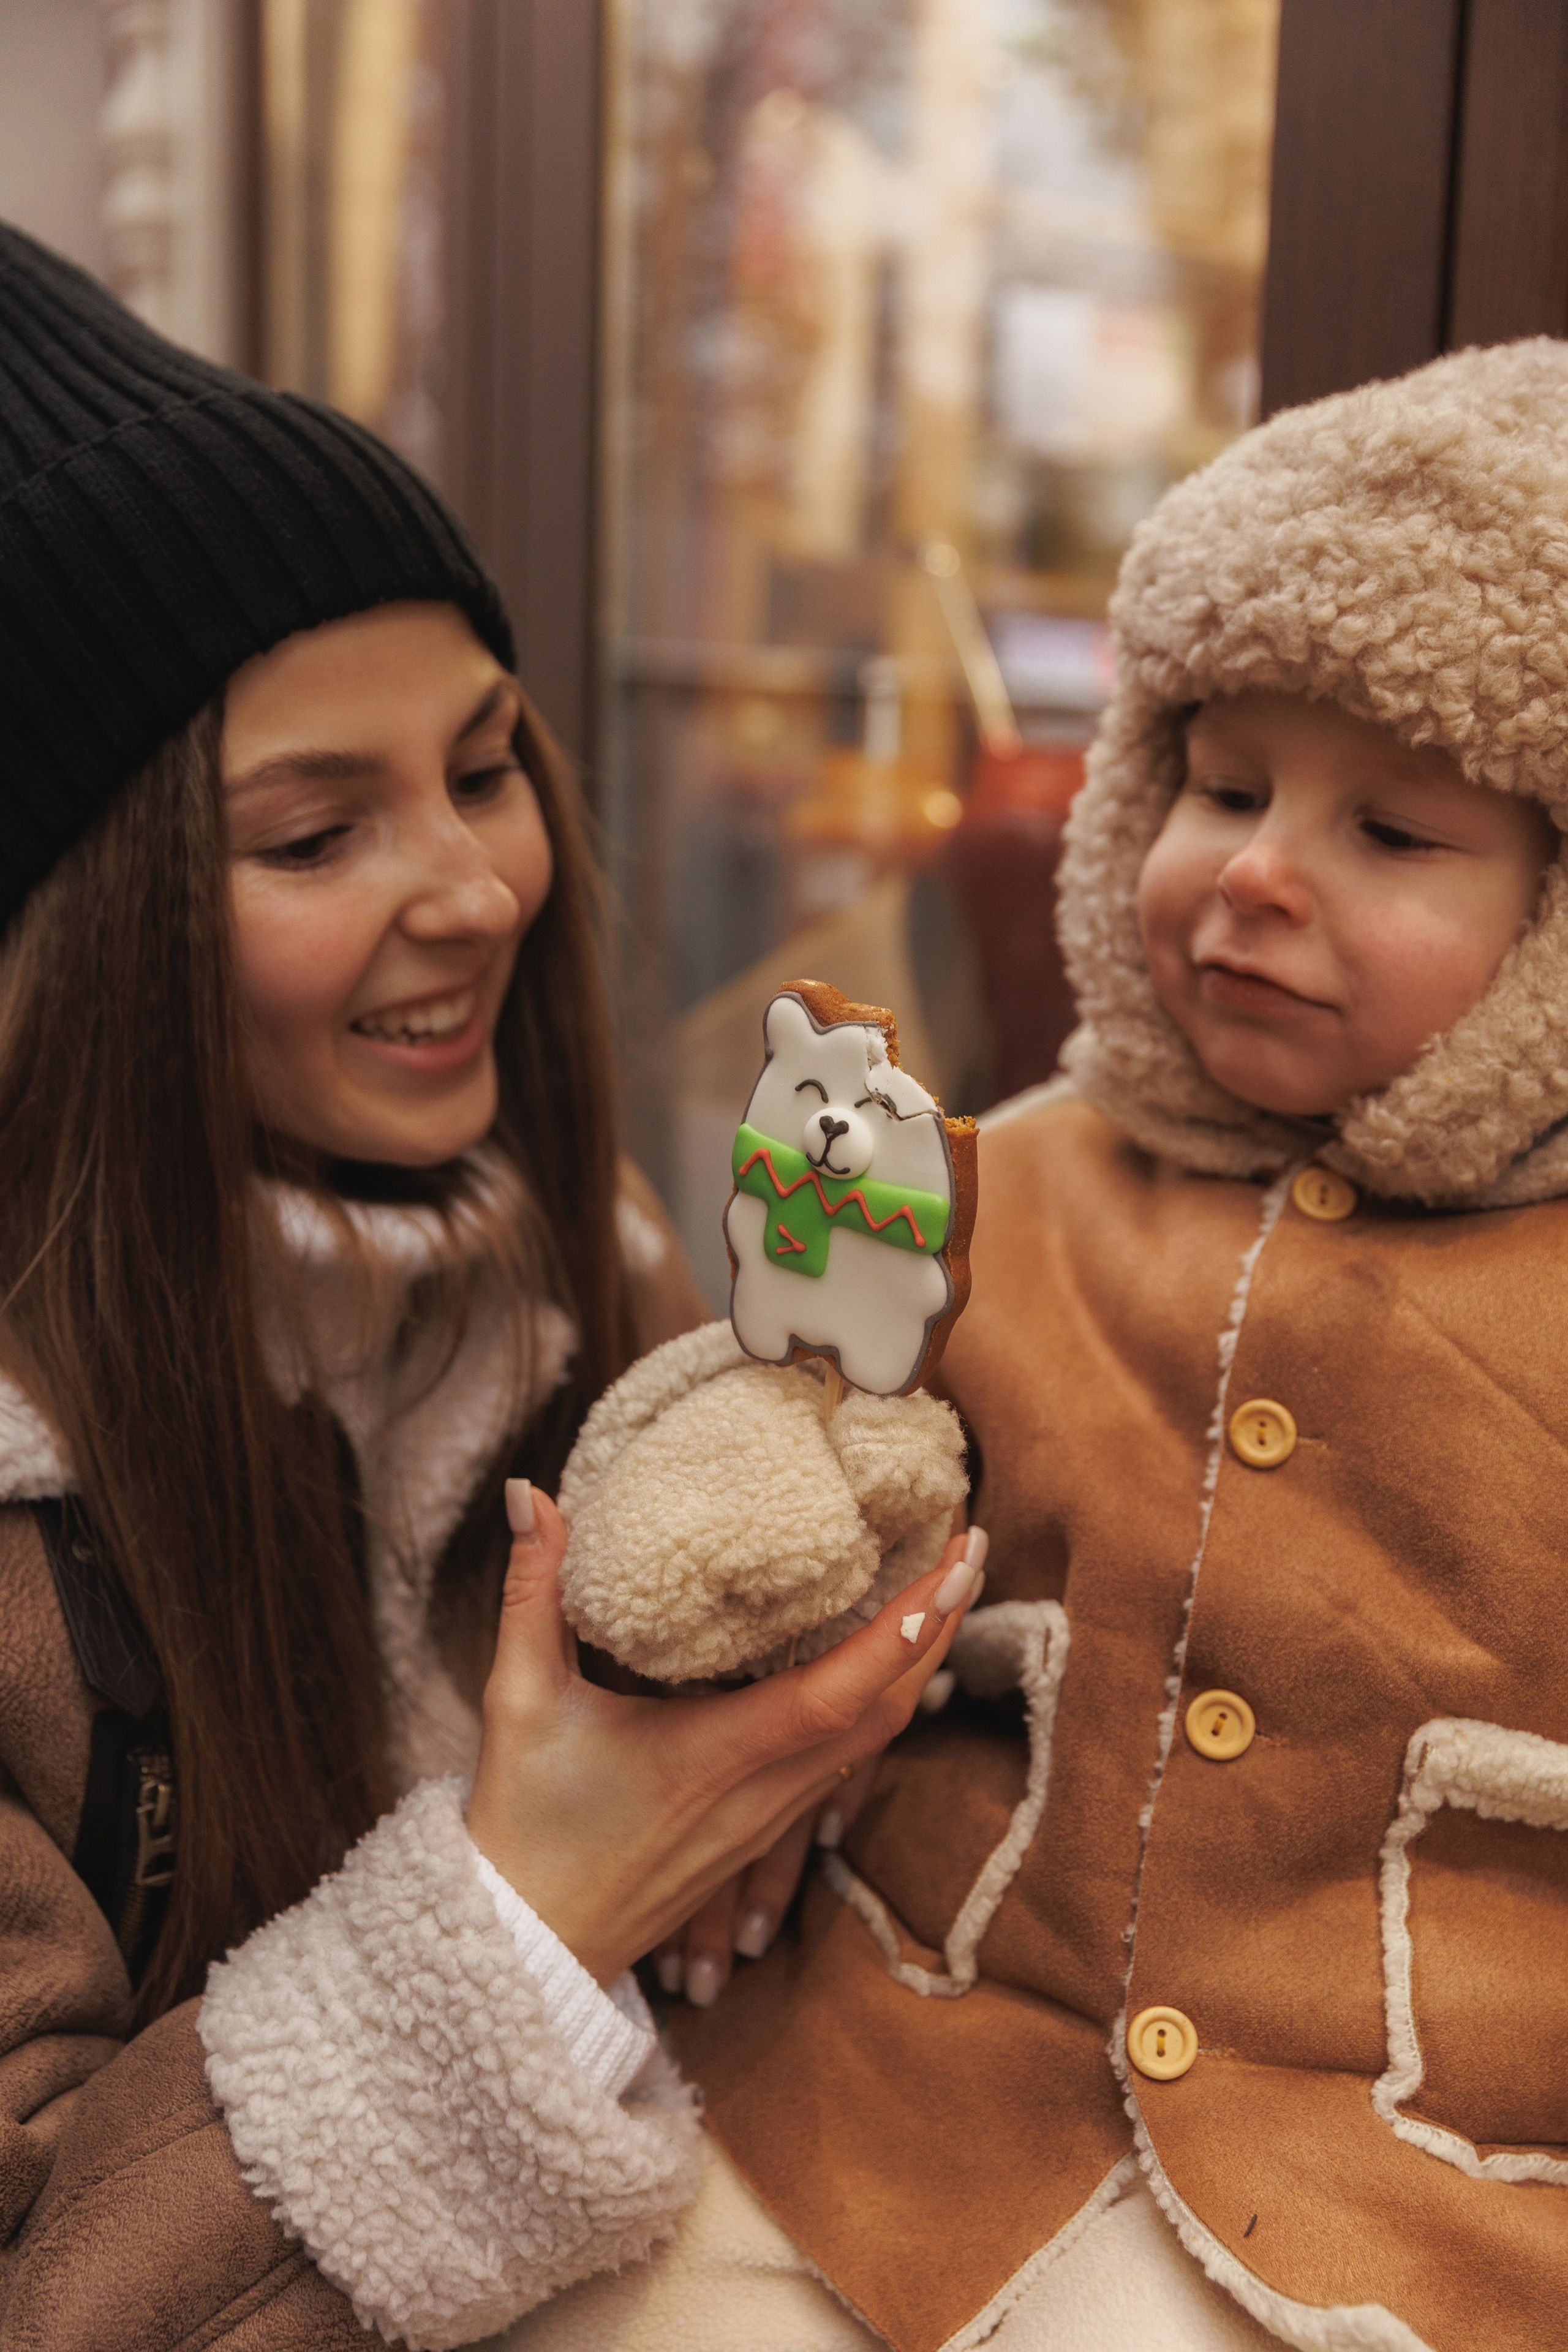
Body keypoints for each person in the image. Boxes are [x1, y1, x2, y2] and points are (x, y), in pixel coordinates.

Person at [0, 222, 986, 2351]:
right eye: (310, 836)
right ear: (63, 938)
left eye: (481, 767)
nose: (476, 888)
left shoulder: (575, 1262)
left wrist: (781, 1771)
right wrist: (538, 1902)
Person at [533, 339, 1568, 2352]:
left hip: (1400, 2164)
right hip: (911, 2056)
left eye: (1394, 833)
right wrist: (730, 1674)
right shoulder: (998, 1181)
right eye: (1226, 787)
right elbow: (811, 1462)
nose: (1256, 870)